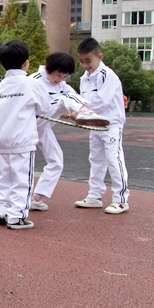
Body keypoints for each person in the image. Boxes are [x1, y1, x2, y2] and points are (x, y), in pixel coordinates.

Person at [0, 39, 50, 229]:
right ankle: (17, 216)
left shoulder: (0, 86)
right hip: (22, 140)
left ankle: (1, 209)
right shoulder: (31, 83)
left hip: (2, 139)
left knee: (5, 176)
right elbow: (45, 107)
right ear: (26, 62)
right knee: (22, 179)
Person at [28, 52, 99, 211]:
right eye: (58, 75)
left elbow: (71, 98)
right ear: (48, 69)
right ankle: (85, 112)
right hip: (29, 124)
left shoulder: (61, 85)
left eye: (64, 76)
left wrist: (70, 114)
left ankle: (37, 198)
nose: (60, 79)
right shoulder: (33, 81)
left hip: (43, 126)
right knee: (64, 98)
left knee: (56, 160)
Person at [75, 37, 130, 214]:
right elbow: (83, 101)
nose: (85, 65)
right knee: (96, 160)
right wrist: (79, 111)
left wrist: (79, 111)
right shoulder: (84, 78)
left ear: (100, 57)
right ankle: (95, 195)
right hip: (94, 124)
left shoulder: (108, 75)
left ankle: (121, 200)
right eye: (81, 61)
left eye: (88, 61)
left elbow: (101, 102)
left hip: (111, 124)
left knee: (114, 159)